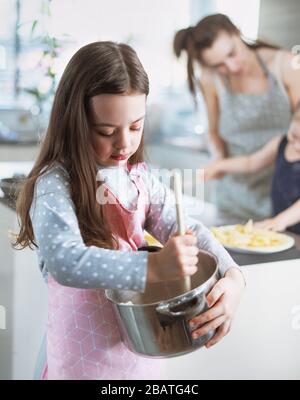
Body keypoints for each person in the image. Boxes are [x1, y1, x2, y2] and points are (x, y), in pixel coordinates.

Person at [14, 41, 245, 380]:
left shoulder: (138, 179)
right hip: (81, 364)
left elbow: (188, 229)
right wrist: (153, 266)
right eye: (106, 131)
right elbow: (65, 260)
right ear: (74, 122)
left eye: (136, 126)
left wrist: (234, 277)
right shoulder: (55, 184)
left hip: (139, 359)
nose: (124, 143)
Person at [173, 14, 300, 220]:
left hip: (281, 194)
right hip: (231, 196)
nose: (231, 68)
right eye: (218, 65)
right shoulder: (211, 79)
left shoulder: (286, 66)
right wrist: (219, 158)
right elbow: (213, 132)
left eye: (232, 53)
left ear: (238, 32)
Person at [204, 111, 300, 234]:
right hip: (282, 227)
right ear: (291, 121)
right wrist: (219, 165)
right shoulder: (281, 143)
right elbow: (250, 162)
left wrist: (280, 220)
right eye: (294, 135)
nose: (297, 146)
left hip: (284, 222)